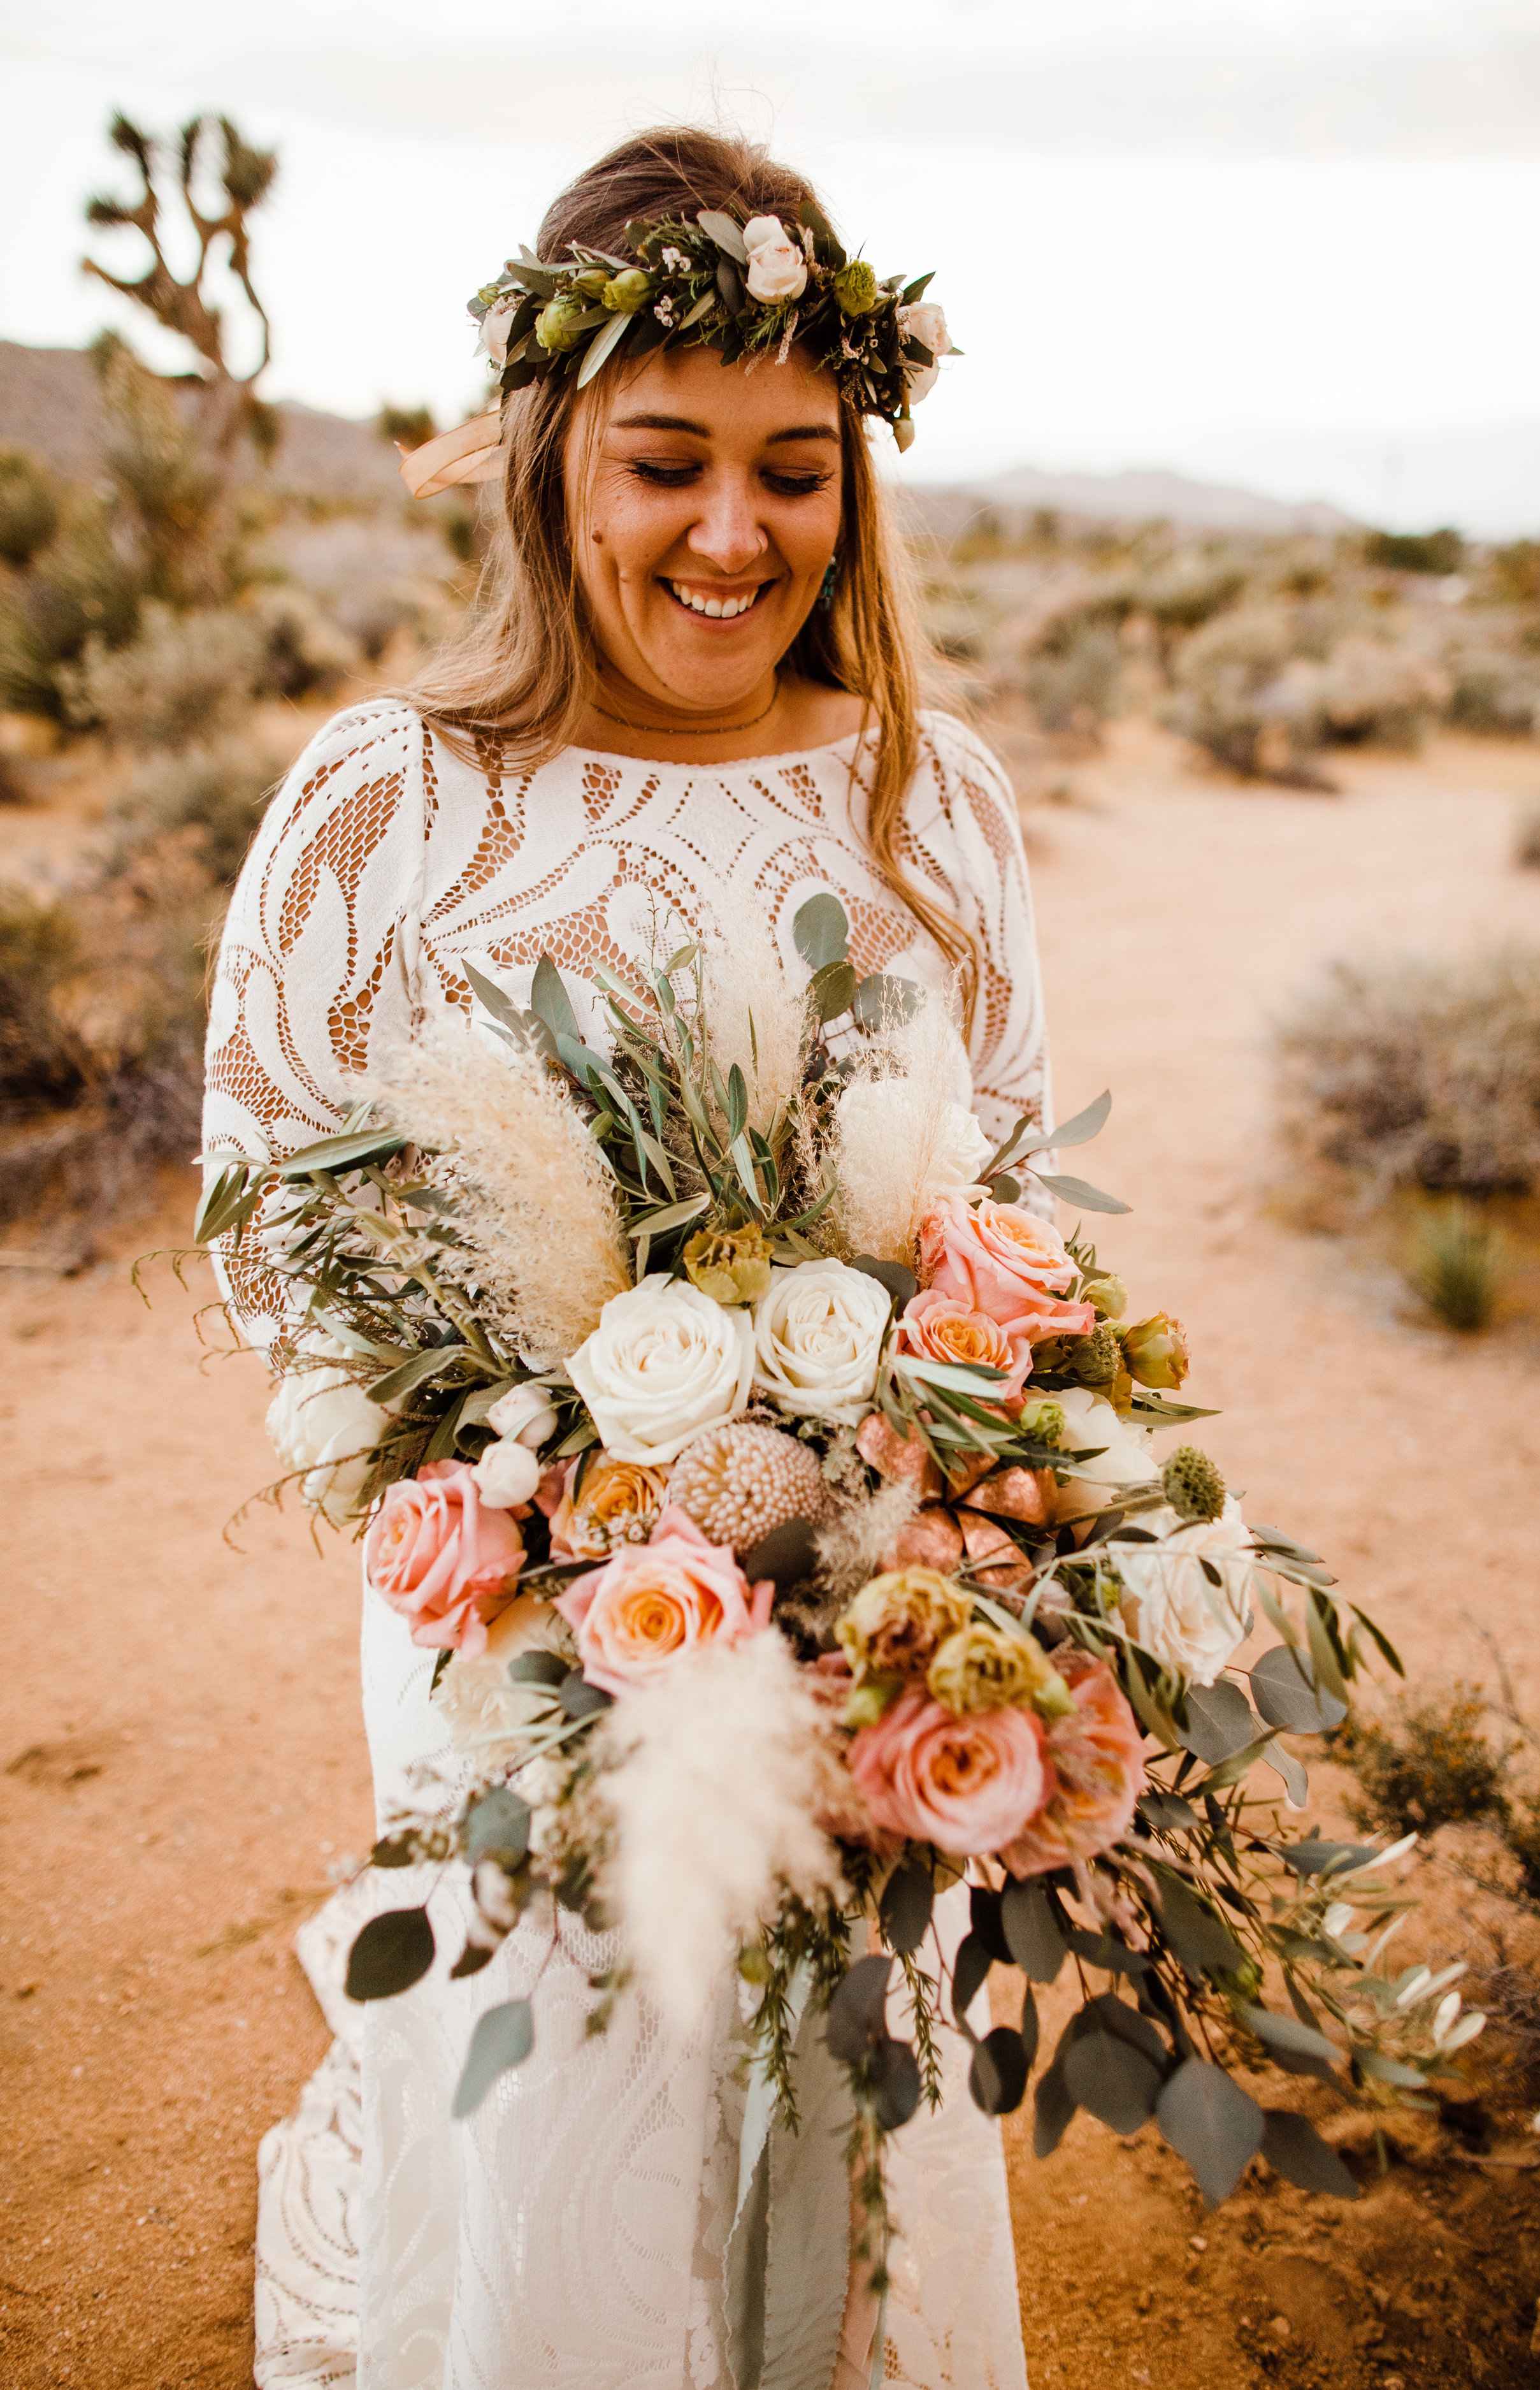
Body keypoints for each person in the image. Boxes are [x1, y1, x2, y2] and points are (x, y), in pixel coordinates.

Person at [203, 125, 1045, 2390]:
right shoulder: (388, 799)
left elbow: (1014, 1180)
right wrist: (546, 1488)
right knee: (563, 2098)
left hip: (874, 1607)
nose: (731, 532)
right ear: (548, 459)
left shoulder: (927, 797)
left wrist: (917, 1481)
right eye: (666, 458)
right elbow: (266, 1202)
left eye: (795, 468)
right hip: (510, 1617)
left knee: (852, 2102)